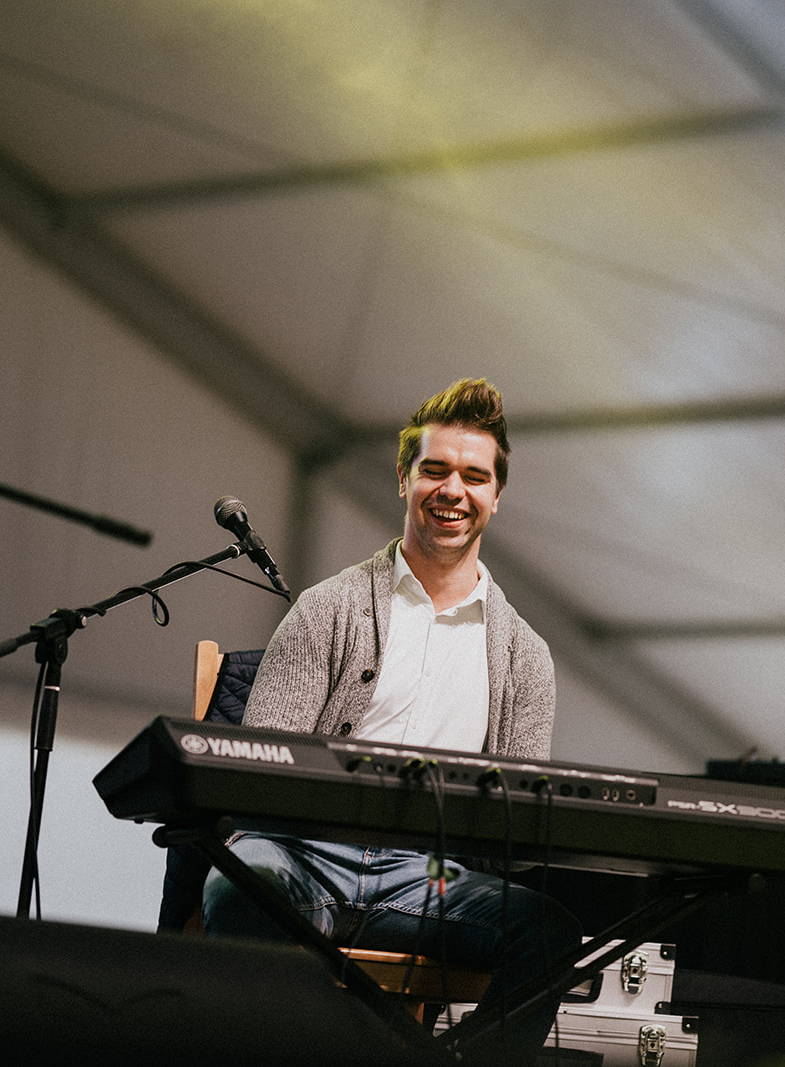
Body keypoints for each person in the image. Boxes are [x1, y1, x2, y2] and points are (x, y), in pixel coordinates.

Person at [201, 378, 582, 1065]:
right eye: (435, 470)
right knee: (241, 879)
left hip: (430, 878)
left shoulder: (526, 657)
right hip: (302, 857)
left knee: (547, 930)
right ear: (404, 479)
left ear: (496, 495)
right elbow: (259, 773)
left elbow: (519, 840)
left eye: (474, 476)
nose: (452, 490)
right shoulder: (327, 607)